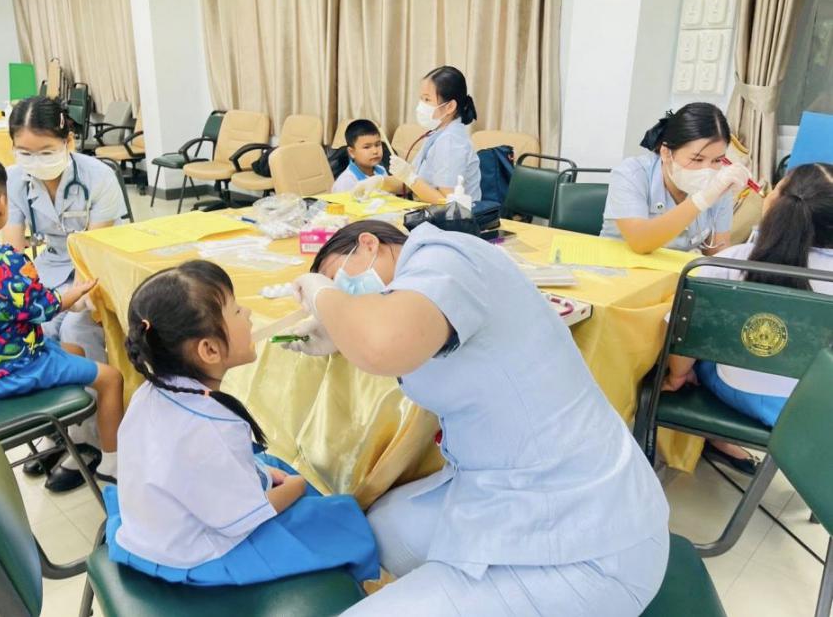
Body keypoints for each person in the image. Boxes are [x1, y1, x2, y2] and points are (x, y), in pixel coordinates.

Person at [285, 220, 669, 616]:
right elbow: (402, 338)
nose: (346, 295)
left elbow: (383, 344)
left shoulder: (447, 257)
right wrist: (341, 332)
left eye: (339, 279)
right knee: (380, 529)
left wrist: (323, 295)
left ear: (370, 244)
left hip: (588, 540)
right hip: (511, 489)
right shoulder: (418, 297)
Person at [103, 260, 378, 586]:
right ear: (209, 349)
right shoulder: (211, 430)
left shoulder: (151, 392)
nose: (247, 314)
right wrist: (295, 487)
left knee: (275, 466)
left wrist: (262, 473)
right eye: (235, 311)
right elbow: (246, 517)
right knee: (345, 520)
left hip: (153, 532)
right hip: (198, 558)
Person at [0, 147, 123, 482]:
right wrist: (74, 294)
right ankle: (113, 468)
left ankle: (70, 435)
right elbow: (43, 308)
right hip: (14, 371)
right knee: (111, 378)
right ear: (1, 204)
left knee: (73, 349)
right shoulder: (5, 264)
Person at [662, 163, 833, 468]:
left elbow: (682, 329)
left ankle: (709, 439)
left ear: (775, 203)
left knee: (700, 347)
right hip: (815, 404)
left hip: (737, 388)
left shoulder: (733, 261)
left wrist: (677, 376)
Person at [1, 95, 127, 491]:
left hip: (94, 269)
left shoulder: (98, 176)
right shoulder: (15, 179)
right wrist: (23, 296)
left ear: (68, 140)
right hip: (51, 266)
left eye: (45, 151)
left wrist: (69, 300)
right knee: (36, 329)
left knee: (76, 330)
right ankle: (59, 427)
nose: (35, 161)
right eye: (24, 152)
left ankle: (89, 440)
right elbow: (12, 248)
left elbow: (96, 249)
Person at [601, 102, 751, 254]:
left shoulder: (718, 187)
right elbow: (640, 242)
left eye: (717, 160)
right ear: (666, 153)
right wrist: (702, 200)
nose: (707, 170)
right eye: (697, 159)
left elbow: (718, 251)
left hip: (674, 268)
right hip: (616, 265)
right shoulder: (631, 174)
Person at [387, 66, 482, 204]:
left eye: (427, 99)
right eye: (421, 99)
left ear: (450, 107)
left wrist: (409, 177)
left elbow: (448, 202)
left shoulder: (451, 141)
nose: (421, 106)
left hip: (452, 216)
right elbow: (411, 182)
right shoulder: (438, 133)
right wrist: (378, 183)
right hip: (429, 210)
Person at [332, 119, 392, 195]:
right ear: (351, 152)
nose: (375, 151)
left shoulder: (381, 170)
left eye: (377, 145)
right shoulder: (346, 182)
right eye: (367, 147)